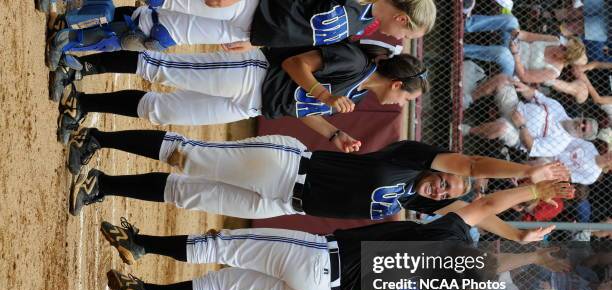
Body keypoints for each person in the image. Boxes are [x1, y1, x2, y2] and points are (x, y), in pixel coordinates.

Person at [101, 180, 574, 290]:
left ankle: (140, 243)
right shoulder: (456, 278)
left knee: (225, 244)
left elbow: (486, 202)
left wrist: (533, 193)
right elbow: (490, 259)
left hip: (316, 259)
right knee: (228, 285)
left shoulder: (449, 233)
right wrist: (528, 249)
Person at [67, 127, 568, 236]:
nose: (443, 189)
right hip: (286, 167)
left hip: (285, 199)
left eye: (447, 193)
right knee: (191, 156)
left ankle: (104, 185)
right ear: (440, 171)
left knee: (188, 191)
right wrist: (526, 174)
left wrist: (519, 232)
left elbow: (476, 212)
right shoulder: (409, 158)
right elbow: (476, 171)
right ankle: (96, 136)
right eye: (445, 182)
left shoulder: (411, 198)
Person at [54, 41, 428, 145]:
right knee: (165, 69)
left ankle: (84, 103)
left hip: (252, 104)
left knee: (162, 112)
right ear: (397, 84)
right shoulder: (354, 61)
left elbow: (300, 108)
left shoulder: (359, 94)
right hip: (253, 75)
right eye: (406, 98)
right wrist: (327, 97)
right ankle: (82, 64)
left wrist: (332, 132)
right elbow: (295, 65)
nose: (400, 105)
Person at [45, 0, 437, 72]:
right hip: (246, 5)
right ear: (402, 18)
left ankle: (72, 37)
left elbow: (300, 29)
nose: (402, 38)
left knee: (154, 35)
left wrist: (257, 41)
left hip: (247, 26)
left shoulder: (359, 21)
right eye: (409, 32)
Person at [463, 74, 599, 158]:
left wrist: (521, 126)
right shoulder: (559, 109)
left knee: (502, 128)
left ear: (581, 137)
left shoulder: (560, 144)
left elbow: (531, 146)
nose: (581, 124)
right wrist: (523, 87)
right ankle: (467, 100)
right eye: (584, 122)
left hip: (517, 133)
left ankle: (468, 130)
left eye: (583, 129)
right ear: (582, 117)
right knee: (503, 79)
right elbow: (535, 95)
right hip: (514, 107)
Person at [463, 14, 586, 83]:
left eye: (564, 48)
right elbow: (528, 36)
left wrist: (515, 55)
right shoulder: (555, 40)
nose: (562, 44)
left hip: (513, 67)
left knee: (503, 53)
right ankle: (466, 25)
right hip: (515, 44)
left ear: (565, 57)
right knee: (511, 20)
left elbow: (524, 76)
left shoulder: (553, 71)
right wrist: (518, 33)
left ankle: (461, 49)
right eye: (565, 42)